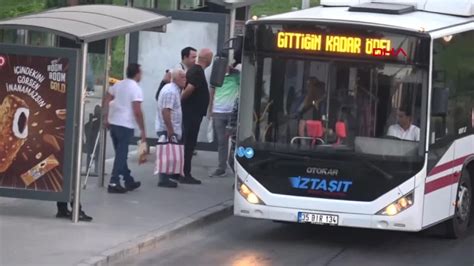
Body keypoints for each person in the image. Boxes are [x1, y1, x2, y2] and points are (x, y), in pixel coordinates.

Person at [104, 63, 146, 193]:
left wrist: (105, 117)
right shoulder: (136, 88)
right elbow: (137, 110)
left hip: (114, 123)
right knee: (121, 155)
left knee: (120, 154)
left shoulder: (118, 84)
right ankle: (114, 181)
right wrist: (142, 129)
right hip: (125, 124)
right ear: (137, 73)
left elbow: (106, 100)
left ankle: (128, 179)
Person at [181, 48, 214, 184]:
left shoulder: (196, 70)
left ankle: (183, 172)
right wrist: (180, 101)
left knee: (188, 144)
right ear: (208, 59)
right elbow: (189, 89)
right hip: (191, 114)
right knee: (188, 144)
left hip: (193, 114)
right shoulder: (197, 72)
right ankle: (185, 173)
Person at [156, 69, 186, 188]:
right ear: (175, 78)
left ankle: (167, 177)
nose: (185, 79)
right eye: (182, 77)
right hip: (167, 128)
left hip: (169, 127)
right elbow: (166, 111)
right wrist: (170, 130)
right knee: (166, 153)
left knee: (168, 153)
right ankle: (163, 179)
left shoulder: (173, 90)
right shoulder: (171, 92)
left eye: (185, 77)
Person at [209, 64, 241, 177]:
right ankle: (221, 167)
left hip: (232, 112)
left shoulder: (236, 75)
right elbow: (212, 92)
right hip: (218, 111)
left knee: (235, 141)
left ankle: (236, 167)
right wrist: (210, 109)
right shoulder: (216, 76)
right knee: (222, 141)